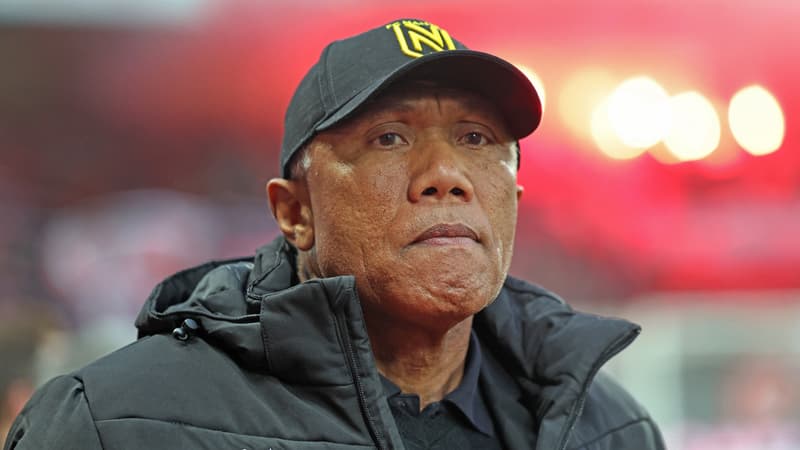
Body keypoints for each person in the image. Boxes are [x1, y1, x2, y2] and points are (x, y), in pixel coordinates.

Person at [4, 18, 665, 450]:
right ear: (295, 212)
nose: (446, 175)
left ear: (513, 202)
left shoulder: (609, 430)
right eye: (389, 138)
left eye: (476, 138)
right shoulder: (112, 425)